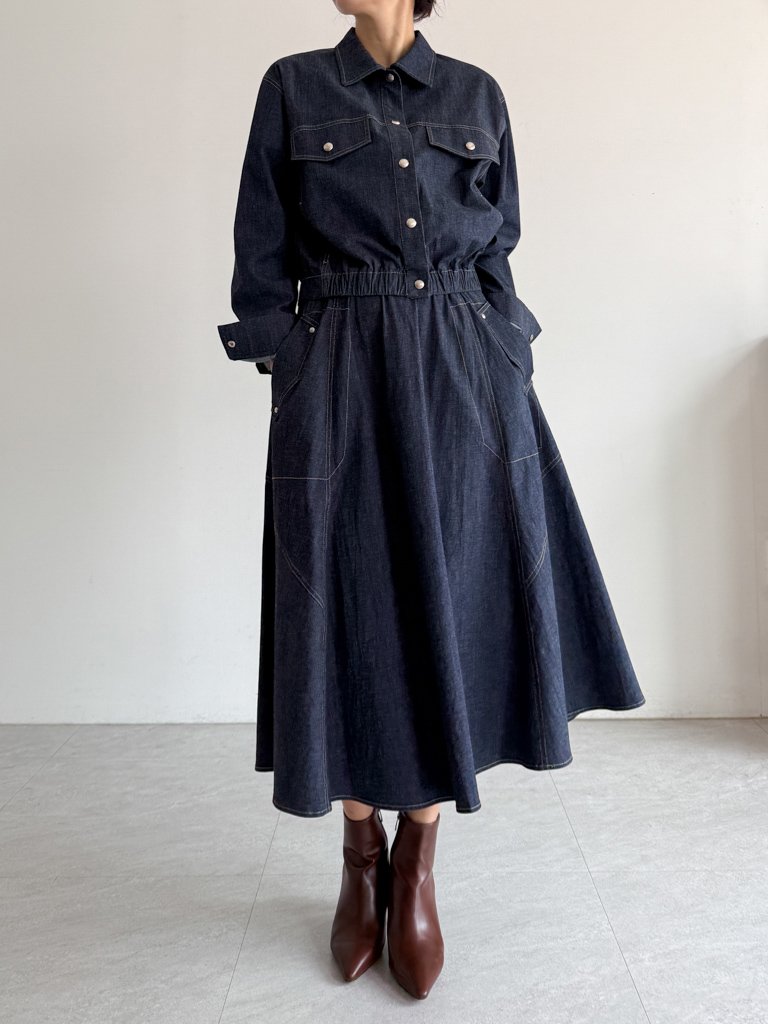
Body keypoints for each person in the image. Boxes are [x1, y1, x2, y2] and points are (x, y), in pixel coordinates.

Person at [216, 0, 646, 1000]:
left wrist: (505, 344)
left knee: (451, 595)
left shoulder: (476, 94)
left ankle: (417, 859)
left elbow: (500, 239)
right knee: (346, 601)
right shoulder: (294, 84)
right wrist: (290, 359)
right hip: (340, 367)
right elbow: (260, 245)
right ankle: (358, 851)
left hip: (464, 369)